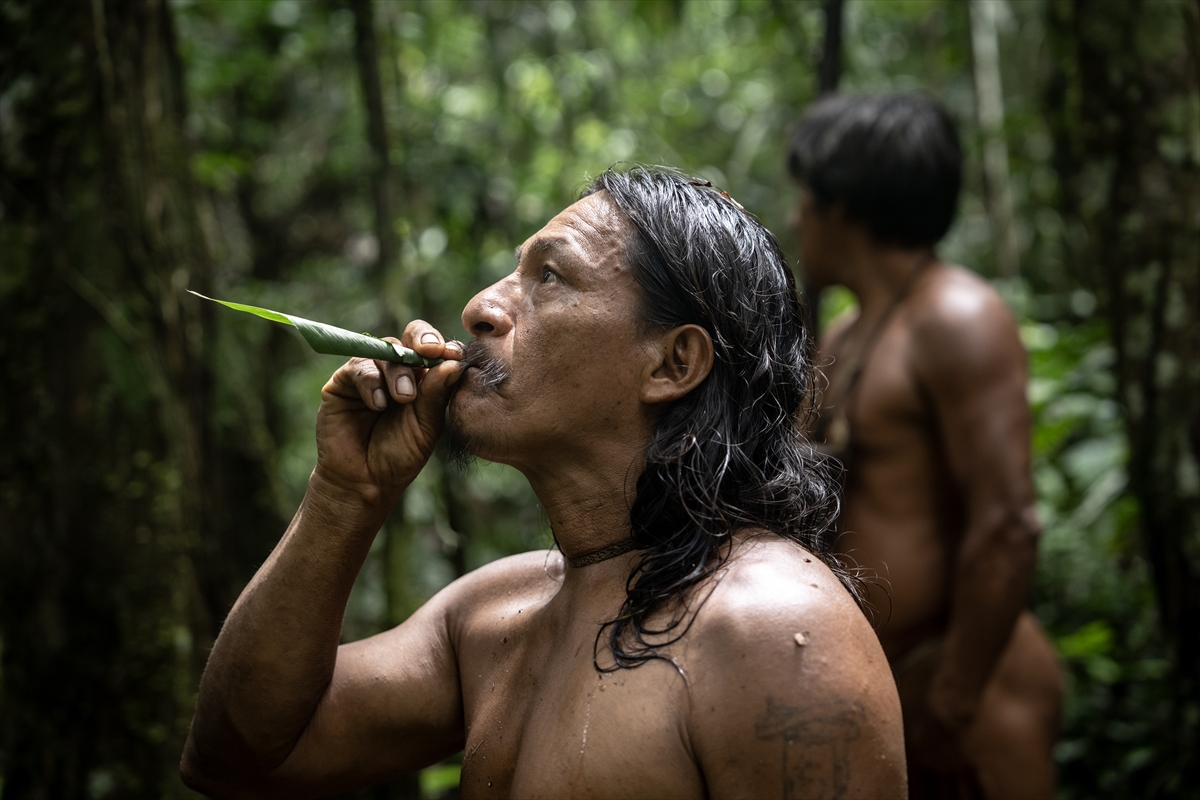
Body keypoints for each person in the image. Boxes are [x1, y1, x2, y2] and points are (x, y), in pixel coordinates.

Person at [180, 166, 907, 799]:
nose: (480, 308)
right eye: (511, 273)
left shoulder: (770, 628)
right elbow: (238, 757)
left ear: (672, 364)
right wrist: (344, 495)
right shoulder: (494, 617)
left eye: (550, 277)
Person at [787, 94, 1062, 799]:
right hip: (897, 686)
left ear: (841, 204)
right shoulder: (850, 335)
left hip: (972, 690)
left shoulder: (957, 316)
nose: (797, 219)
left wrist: (955, 699)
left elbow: (1006, 522)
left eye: (805, 199)